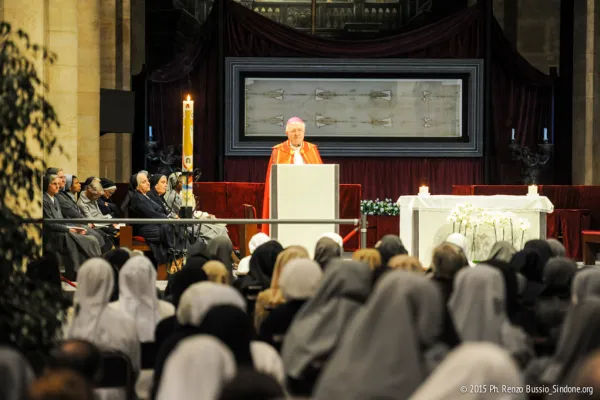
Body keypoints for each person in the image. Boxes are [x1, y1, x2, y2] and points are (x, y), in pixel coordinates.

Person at [261, 117, 323, 235]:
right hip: (286, 198)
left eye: (299, 130)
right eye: (293, 131)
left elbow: (320, 176)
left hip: (308, 198)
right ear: (287, 133)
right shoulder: (278, 151)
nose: (296, 134)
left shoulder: (312, 150)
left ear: (304, 133)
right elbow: (272, 181)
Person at [43, 174, 102, 279]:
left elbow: (61, 219)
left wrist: (75, 228)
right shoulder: (44, 200)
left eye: (58, 184)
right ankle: (85, 271)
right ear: (47, 185)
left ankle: (89, 271)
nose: (57, 186)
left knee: (90, 237)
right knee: (90, 240)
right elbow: (50, 223)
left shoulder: (55, 199)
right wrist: (69, 229)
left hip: (63, 229)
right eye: (54, 184)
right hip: (55, 233)